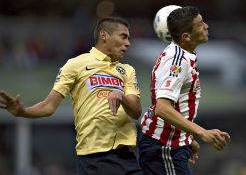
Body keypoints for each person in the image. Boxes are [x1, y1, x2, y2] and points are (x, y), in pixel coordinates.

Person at [0, 17, 143, 175]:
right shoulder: (75, 65)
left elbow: (136, 111)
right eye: (123, 36)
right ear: (104, 36)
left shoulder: (127, 70)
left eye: (128, 38)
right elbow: (49, 106)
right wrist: (23, 112)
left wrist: (121, 96)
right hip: (93, 159)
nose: (128, 43)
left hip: (126, 157)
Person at [138, 6, 231, 175]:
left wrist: (187, 137)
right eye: (201, 23)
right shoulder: (177, 62)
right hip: (164, 146)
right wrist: (202, 132)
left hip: (171, 144)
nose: (206, 26)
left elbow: (177, 104)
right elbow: (162, 107)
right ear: (186, 36)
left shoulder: (184, 54)